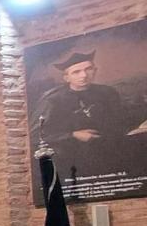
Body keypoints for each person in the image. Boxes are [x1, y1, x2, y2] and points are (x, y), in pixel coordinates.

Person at [33, 50, 130, 178]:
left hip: (111, 152)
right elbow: (36, 135)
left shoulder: (108, 92)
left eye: (88, 69)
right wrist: (73, 135)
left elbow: (121, 120)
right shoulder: (53, 100)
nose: (84, 75)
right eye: (76, 72)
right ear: (66, 77)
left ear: (95, 70)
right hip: (73, 160)